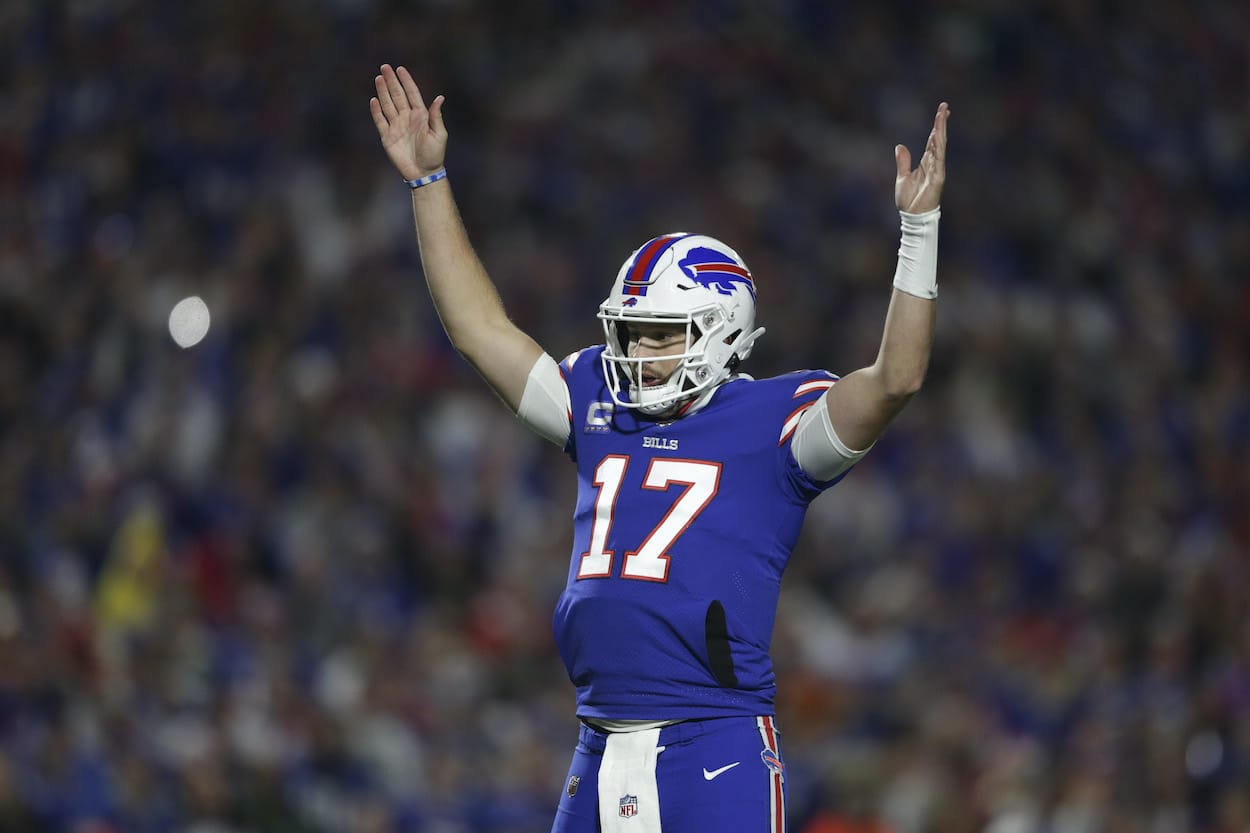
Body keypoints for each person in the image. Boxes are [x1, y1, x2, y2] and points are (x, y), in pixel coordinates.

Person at [370, 63, 949, 833]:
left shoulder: (774, 421)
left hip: (715, 747)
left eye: (662, 334)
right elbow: (481, 332)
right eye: (630, 331)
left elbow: (897, 378)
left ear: (722, 334)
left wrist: (918, 233)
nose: (638, 349)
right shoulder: (600, 402)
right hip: (597, 745)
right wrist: (428, 180)